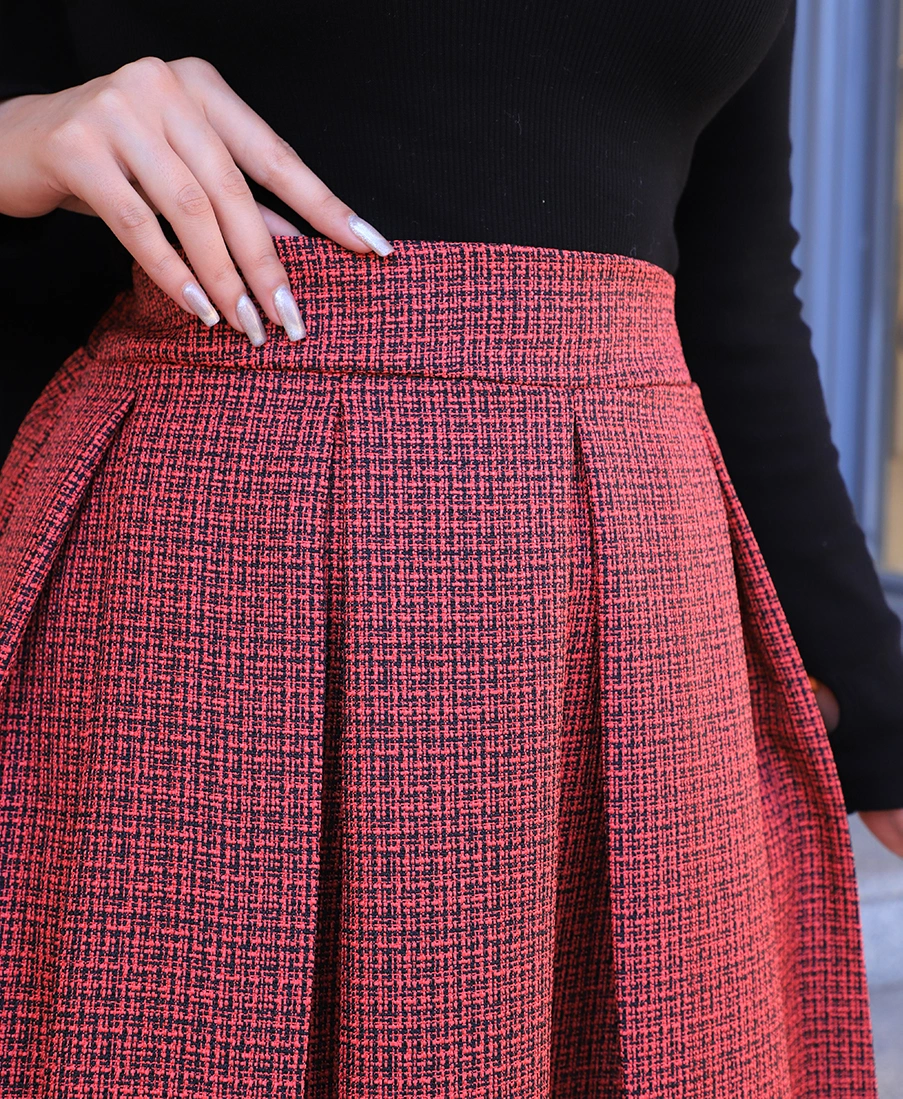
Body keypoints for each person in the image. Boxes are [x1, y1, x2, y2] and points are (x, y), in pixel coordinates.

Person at [0, 0, 900, 1094]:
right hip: (211, 576)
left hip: (639, 608)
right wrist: (16, 141)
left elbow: (733, 277)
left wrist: (874, 697)